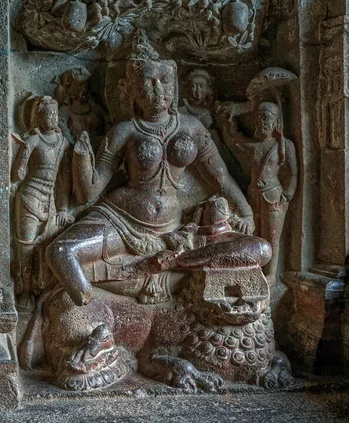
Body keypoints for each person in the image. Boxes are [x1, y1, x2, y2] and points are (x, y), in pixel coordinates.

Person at [46, 38, 269, 310]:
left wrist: (245, 212)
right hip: (121, 219)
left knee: (260, 249)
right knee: (60, 251)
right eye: (147, 82)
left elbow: (219, 177)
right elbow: (88, 193)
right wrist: (81, 157)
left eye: (164, 80)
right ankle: (89, 305)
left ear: (174, 86)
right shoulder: (125, 131)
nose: (157, 89)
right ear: (132, 90)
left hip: (175, 229)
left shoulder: (192, 127)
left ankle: (162, 265)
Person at [220, 101, 297, 281]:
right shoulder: (255, 145)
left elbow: (292, 173)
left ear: (276, 123)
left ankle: (270, 274)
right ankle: (254, 267)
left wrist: (287, 194)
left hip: (273, 196)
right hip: (254, 194)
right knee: (254, 234)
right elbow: (235, 137)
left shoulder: (284, 146)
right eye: (259, 118)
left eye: (266, 119)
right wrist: (230, 119)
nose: (261, 123)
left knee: (271, 237)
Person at [11, 96, 73, 309]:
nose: (53, 118)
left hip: (50, 201)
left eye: (56, 114)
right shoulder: (33, 141)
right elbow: (17, 174)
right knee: (26, 247)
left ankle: (43, 289)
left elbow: (64, 180)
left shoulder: (63, 143)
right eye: (48, 114)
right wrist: (24, 150)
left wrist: (63, 208)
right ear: (38, 117)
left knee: (48, 244)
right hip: (29, 197)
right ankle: (25, 291)